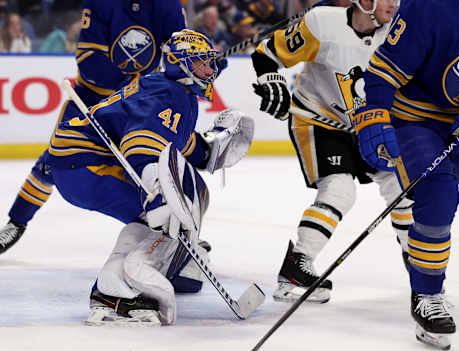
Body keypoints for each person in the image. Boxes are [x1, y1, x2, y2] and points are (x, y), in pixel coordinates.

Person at [45, 29, 248, 325]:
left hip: (75, 164)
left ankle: (160, 269)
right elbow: (141, 141)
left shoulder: (172, 91)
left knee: (175, 208)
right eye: (202, 62)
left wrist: (208, 150)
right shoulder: (171, 93)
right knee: (165, 215)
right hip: (84, 164)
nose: (210, 70)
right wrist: (157, 190)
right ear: (180, 63)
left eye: (210, 62)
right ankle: (112, 291)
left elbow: (173, 143)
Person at [250, 0, 411, 304]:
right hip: (318, 120)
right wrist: (271, 81)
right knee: (339, 190)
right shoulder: (323, 23)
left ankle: (419, 263)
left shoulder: (397, 33)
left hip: (369, 124)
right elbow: (267, 54)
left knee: (401, 186)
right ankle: (296, 267)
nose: (394, 3)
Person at [0, 0, 187, 254]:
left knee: (149, 169)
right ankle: (17, 221)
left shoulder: (169, 6)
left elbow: (179, 57)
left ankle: (171, 234)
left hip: (139, 108)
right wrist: (135, 87)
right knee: (51, 163)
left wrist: (193, 67)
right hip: (91, 101)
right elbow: (89, 62)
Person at [352, 0, 459, 348]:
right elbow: (382, 72)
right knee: (438, 196)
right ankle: (427, 295)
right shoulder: (430, 6)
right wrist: (375, 115)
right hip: (414, 120)